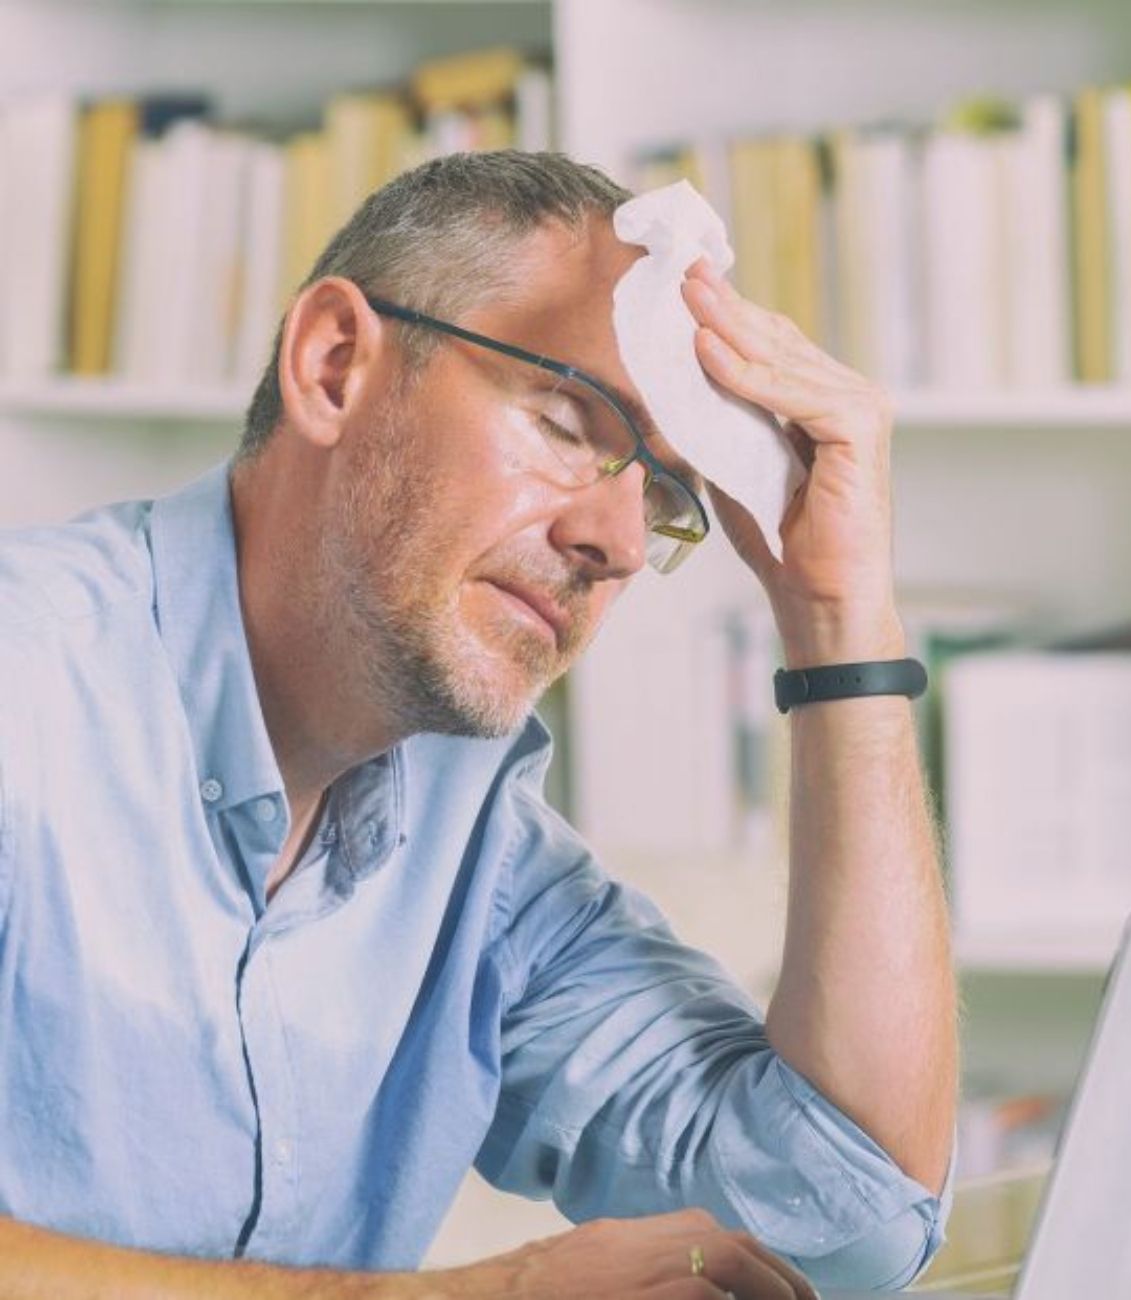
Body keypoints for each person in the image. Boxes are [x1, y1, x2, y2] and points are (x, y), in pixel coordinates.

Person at [0, 152, 957, 1297]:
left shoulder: (479, 848)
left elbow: (848, 1223)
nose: (612, 541)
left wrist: (837, 616)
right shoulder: (31, 686)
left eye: (661, 499)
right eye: (564, 421)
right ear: (335, 363)